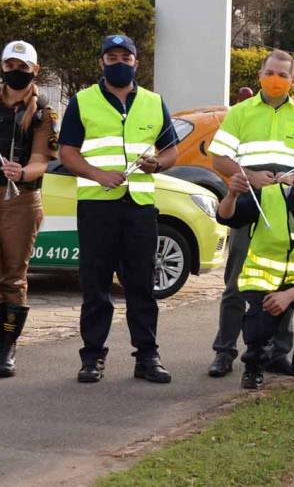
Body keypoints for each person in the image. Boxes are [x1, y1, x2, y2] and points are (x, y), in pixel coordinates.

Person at [58, 34, 178, 383]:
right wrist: (97, 175)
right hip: (97, 207)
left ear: (136, 62)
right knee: (95, 285)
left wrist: (157, 164)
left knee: (141, 285)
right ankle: (92, 357)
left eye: (125, 57)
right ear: (102, 63)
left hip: (140, 207)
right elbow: (67, 152)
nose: (119, 63)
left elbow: (171, 150)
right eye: (112, 58)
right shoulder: (82, 101)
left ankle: (147, 357)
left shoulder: (155, 102)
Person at [206, 49, 294, 378]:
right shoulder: (241, 113)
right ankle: (224, 350)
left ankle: (277, 352)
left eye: (282, 75)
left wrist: (293, 178)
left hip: (287, 208)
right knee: (237, 282)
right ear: (260, 74)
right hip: (249, 204)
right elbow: (219, 158)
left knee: (283, 277)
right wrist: (249, 175)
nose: (275, 79)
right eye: (270, 73)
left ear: (293, 79)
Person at [216, 151, 294, 390]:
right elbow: (226, 217)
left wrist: (289, 295)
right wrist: (232, 194)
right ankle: (253, 367)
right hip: (261, 281)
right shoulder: (267, 196)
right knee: (261, 320)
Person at [0, 41, 58, 377]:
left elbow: (41, 162)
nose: (15, 72)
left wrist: (21, 172)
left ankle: (7, 346)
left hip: (20, 199)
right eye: (10, 65)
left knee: (13, 276)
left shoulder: (43, 113)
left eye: (23, 67)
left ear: (35, 70)